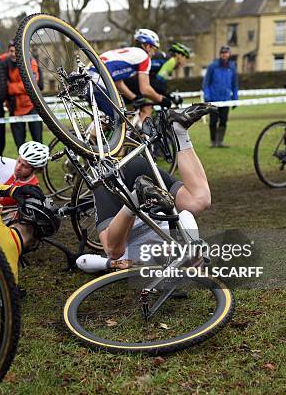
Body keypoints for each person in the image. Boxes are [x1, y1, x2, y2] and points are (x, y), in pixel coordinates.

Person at [76, 104, 214, 273]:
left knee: (117, 253)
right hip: (149, 231)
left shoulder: (135, 261)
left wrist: (109, 264)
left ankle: (135, 197)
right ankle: (179, 133)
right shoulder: (180, 242)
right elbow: (108, 251)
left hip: (143, 234)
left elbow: (93, 258)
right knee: (197, 202)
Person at [89, 29, 174, 124]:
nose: (154, 53)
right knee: (120, 120)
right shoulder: (144, 57)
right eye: (154, 49)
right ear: (148, 46)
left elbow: (118, 82)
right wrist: (162, 99)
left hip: (89, 77)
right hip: (98, 80)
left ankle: (92, 137)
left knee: (115, 119)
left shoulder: (130, 53)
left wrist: (134, 98)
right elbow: (145, 89)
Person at [5, 40, 42, 147]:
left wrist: (9, 87)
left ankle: (42, 164)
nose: (13, 54)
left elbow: (30, 84)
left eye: (16, 51)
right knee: (20, 145)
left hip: (32, 107)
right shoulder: (6, 60)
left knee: (38, 142)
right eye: (11, 51)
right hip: (15, 109)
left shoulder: (31, 62)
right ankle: (23, 164)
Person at [202, 45, 238, 148]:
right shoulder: (213, 66)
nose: (224, 55)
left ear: (229, 54)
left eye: (226, 53)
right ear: (220, 54)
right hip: (213, 100)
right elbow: (206, 83)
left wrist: (235, 98)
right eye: (222, 53)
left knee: (223, 121)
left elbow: (235, 84)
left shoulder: (232, 67)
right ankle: (213, 141)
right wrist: (207, 96)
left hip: (226, 100)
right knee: (213, 121)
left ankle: (220, 141)